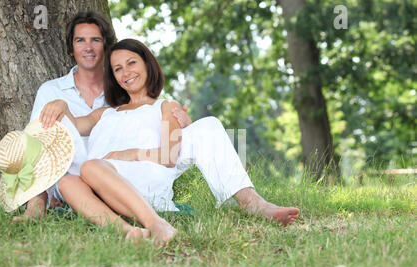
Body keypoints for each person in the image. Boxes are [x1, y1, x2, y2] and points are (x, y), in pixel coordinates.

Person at [39, 39, 300, 242]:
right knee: (68, 181)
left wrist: (126, 154)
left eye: (131, 63)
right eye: (117, 69)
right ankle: (127, 231)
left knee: (91, 166)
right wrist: (61, 103)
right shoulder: (104, 113)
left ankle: (159, 224)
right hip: (99, 185)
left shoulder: (165, 107)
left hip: (143, 180)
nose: (125, 72)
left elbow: (168, 157)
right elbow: (71, 125)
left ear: (146, 64)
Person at [16, 11, 190, 225]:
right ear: (71, 49)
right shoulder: (51, 91)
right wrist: (40, 199)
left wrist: (179, 118)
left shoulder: (122, 94)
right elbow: (38, 143)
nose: (88, 47)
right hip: (73, 178)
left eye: (95, 40)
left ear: (106, 47)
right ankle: (39, 205)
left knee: (93, 170)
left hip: (119, 174)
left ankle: (141, 221)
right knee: (48, 135)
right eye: (80, 40)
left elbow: (157, 126)